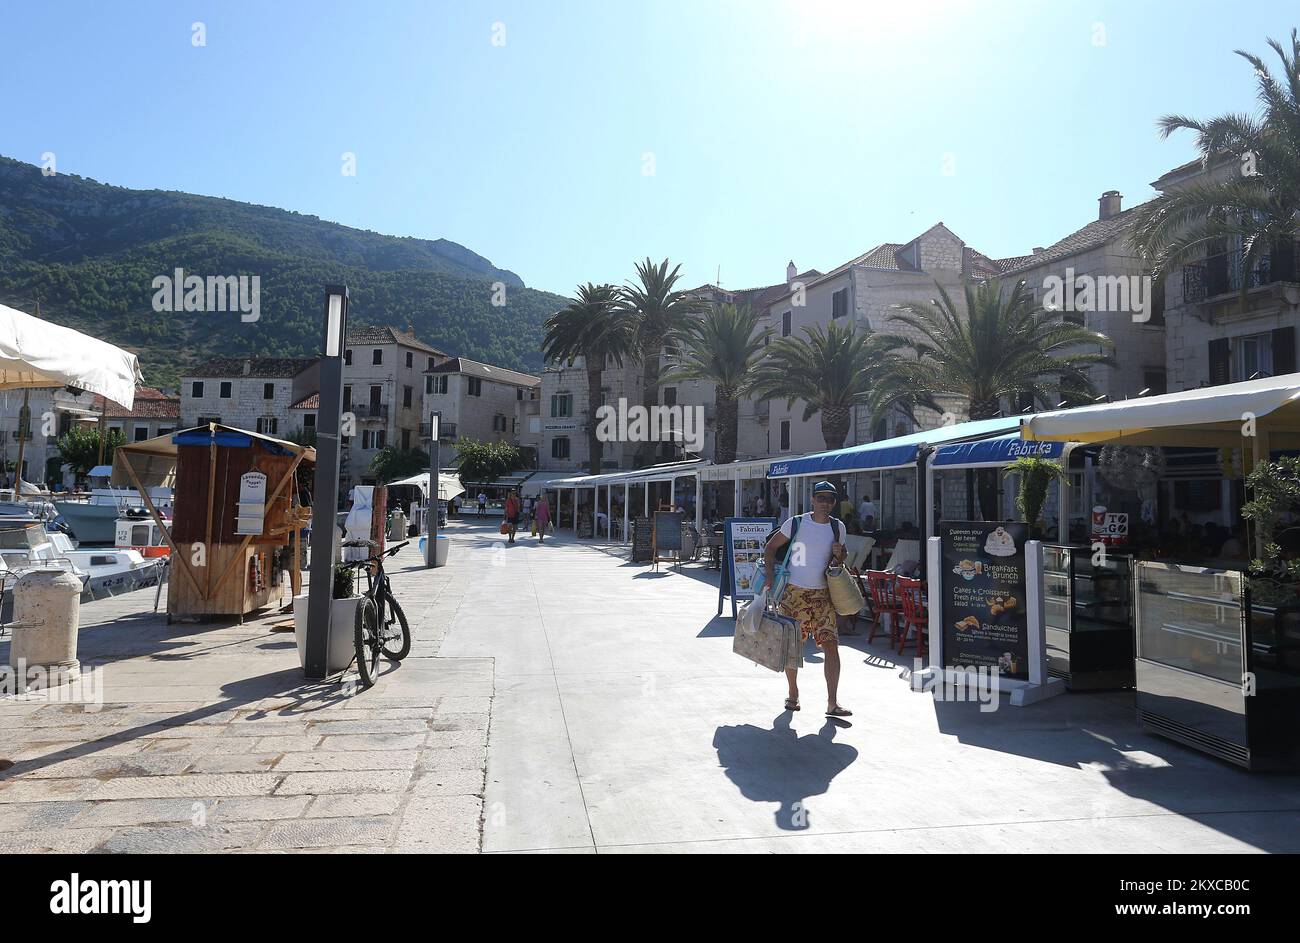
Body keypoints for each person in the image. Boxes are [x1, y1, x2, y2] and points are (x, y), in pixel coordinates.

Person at [762, 479, 851, 719]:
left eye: (829, 499)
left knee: (831, 645)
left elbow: (839, 560)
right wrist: (769, 577)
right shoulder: (797, 523)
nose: (825, 502)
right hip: (794, 592)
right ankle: (793, 692)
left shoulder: (837, 527)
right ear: (812, 499)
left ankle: (832, 703)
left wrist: (839, 555)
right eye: (820, 498)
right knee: (793, 646)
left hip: (823, 594)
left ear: (834, 503)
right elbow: (770, 548)